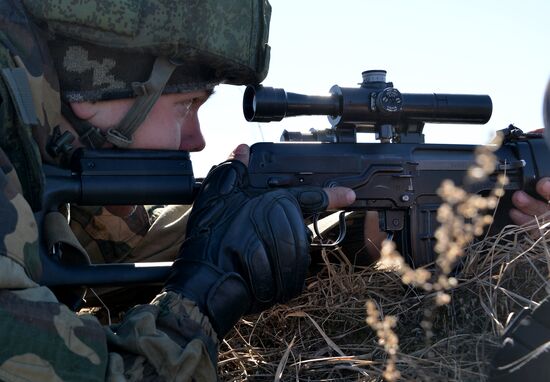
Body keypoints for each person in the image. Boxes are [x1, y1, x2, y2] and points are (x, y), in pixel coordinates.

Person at [0, 0, 356, 380]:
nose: (197, 140)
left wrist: (335, 229)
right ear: (92, 90)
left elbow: (131, 244)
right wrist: (201, 297)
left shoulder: (42, 155)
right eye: (186, 105)